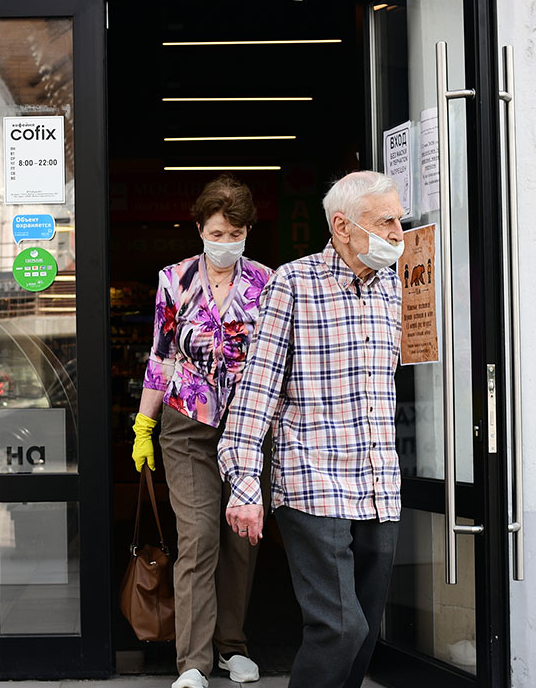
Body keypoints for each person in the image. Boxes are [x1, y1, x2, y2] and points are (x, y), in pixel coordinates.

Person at [217, 171, 405, 688]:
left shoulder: (392, 286)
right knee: (339, 627)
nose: (397, 232)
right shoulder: (293, 284)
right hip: (313, 482)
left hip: (378, 486)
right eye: (386, 220)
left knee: (364, 632)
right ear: (343, 226)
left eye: (399, 220)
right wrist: (244, 484)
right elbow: (256, 391)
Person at [131, 174, 273, 688]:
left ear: (247, 231)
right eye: (215, 232)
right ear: (199, 228)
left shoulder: (267, 283)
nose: (224, 241)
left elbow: (276, 361)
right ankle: (193, 661)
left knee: (241, 540)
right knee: (197, 538)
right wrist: (144, 423)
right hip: (186, 425)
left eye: (233, 233)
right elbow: (162, 356)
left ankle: (233, 646)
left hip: (247, 426)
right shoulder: (174, 280)